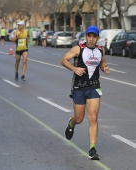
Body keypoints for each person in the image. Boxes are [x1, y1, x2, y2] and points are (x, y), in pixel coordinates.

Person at [60, 25, 110, 160]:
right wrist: (74, 68)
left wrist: (104, 67)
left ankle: (92, 149)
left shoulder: (101, 50)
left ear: (98, 38)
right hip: (79, 87)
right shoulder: (78, 49)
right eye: (89, 36)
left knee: (93, 117)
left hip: (94, 87)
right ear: (86, 36)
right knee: (79, 118)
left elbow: (102, 62)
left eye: (94, 37)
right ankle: (71, 123)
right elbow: (63, 60)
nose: (91, 39)